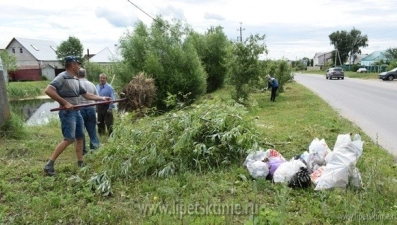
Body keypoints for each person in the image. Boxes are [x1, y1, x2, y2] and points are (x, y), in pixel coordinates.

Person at [43, 56, 110, 176]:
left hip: (77, 111)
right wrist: (65, 103)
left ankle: (80, 162)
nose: (79, 66)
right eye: (77, 64)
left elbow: (86, 95)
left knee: (80, 138)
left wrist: (102, 98)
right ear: (72, 65)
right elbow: (48, 90)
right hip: (68, 113)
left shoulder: (75, 79)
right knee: (69, 139)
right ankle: (49, 164)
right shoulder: (62, 77)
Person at [77, 68, 100, 155]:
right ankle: (95, 148)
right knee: (92, 130)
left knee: (80, 131)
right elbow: (97, 97)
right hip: (91, 108)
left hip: (79, 108)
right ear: (85, 74)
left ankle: (83, 150)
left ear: (77, 74)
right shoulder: (91, 84)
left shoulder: (76, 84)